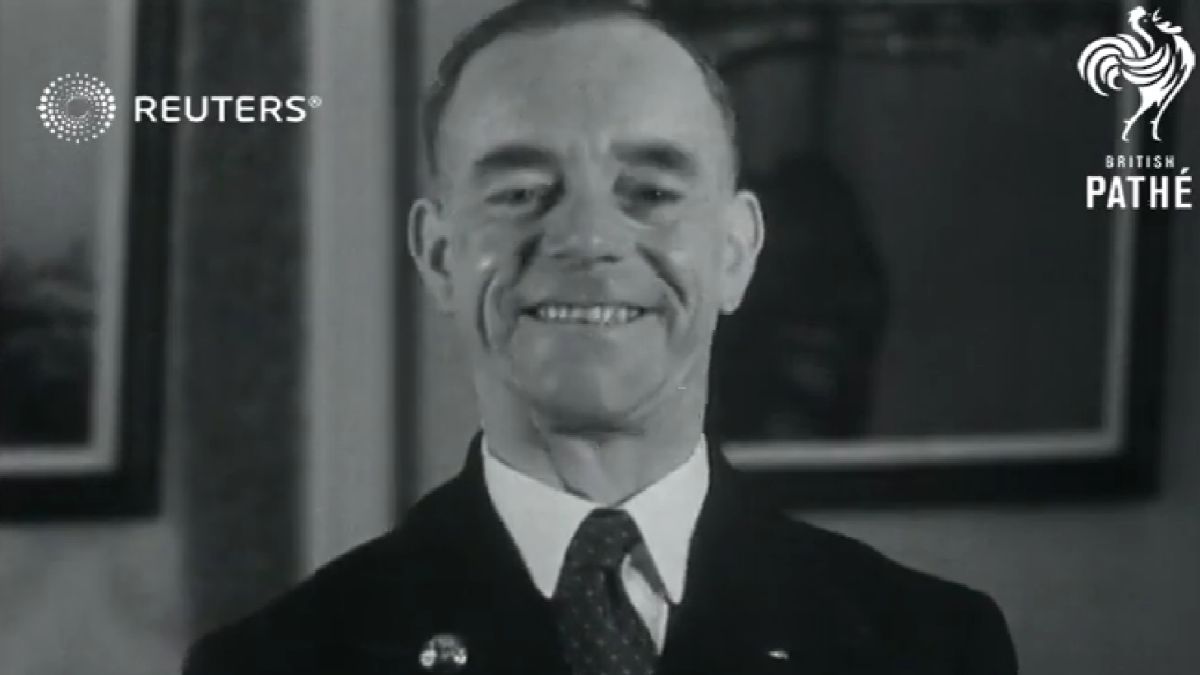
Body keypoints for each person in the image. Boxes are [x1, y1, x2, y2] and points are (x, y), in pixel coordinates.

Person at [183, 1, 1018, 673]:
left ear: (736, 252)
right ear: (439, 257)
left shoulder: (931, 648)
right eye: (520, 192)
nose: (587, 238)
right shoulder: (273, 662)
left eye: (650, 191)